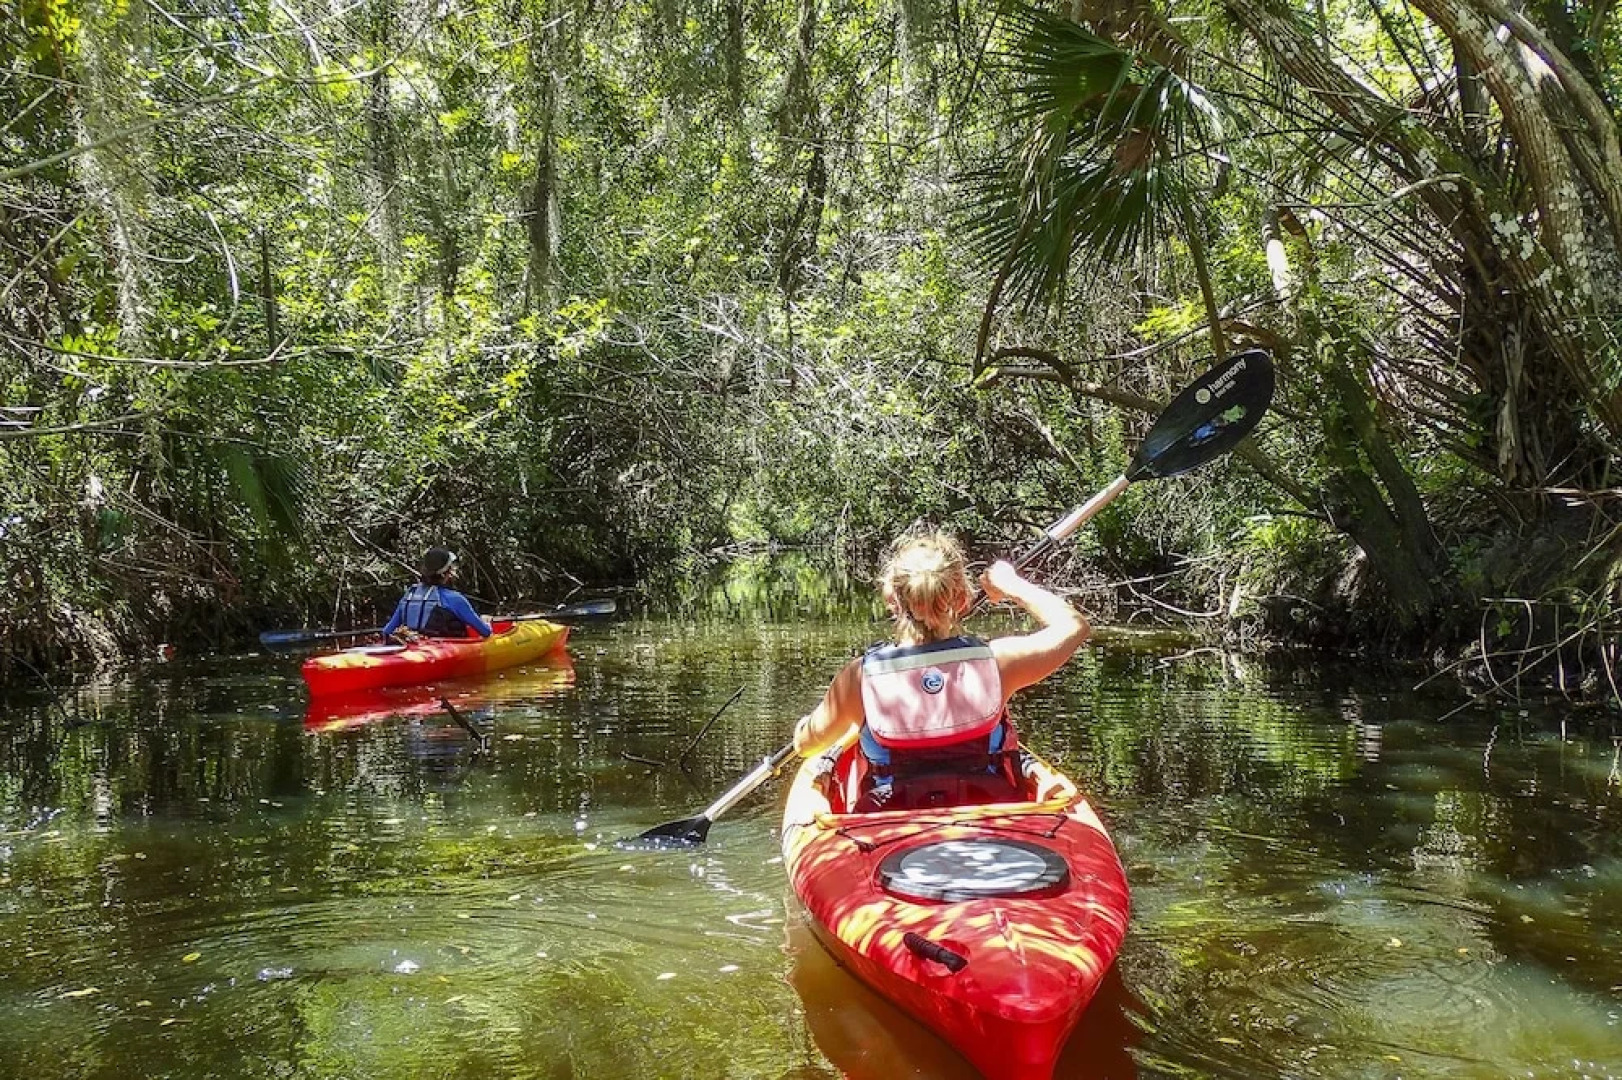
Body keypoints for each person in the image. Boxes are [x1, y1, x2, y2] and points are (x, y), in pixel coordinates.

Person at [791, 531, 1090, 810]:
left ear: (891, 600)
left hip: (889, 824)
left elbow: (806, 745)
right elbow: (1074, 626)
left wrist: (804, 728)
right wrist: (1013, 585)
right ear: (963, 599)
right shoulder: (999, 663)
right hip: (986, 814)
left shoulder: (859, 679)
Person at [381, 548, 493, 641]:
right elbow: (485, 632)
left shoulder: (409, 595)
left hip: (414, 647)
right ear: (446, 573)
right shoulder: (455, 599)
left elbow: (387, 632)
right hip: (445, 654)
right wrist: (486, 622)